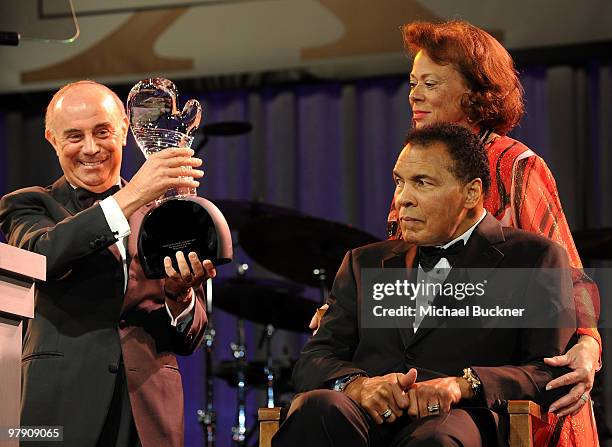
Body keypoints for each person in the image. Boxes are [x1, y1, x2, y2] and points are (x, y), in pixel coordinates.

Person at [310, 20, 600, 446]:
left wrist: (589, 343)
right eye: (412, 82)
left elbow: (566, 272)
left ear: (476, 94)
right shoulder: (417, 164)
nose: (414, 94)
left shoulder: (515, 165)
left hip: (498, 393)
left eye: (430, 82)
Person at [275, 123, 576, 447]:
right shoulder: (363, 263)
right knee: (318, 408)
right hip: (365, 421)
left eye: (422, 182)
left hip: (459, 417)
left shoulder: (534, 257)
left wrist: (464, 385)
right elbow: (313, 359)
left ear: (471, 192)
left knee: (435, 440)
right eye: (399, 182)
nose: (403, 199)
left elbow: (549, 372)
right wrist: (359, 386)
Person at [0, 80, 215, 447]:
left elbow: (189, 338)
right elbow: (43, 258)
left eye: (102, 132)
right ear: (51, 139)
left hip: (149, 411)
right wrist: (132, 196)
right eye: (74, 136)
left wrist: (180, 297)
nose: (90, 148)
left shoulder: (164, 216)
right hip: (60, 410)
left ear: (125, 132)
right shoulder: (27, 205)